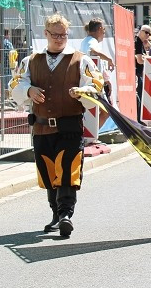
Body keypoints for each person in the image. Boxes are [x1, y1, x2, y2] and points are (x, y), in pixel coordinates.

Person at [11, 14, 103, 238]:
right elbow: (15, 85)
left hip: (70, 126)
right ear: (46, 34)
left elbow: (96, 86)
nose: (60, 39)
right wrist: (28, 91)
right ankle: (55, 214)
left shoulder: (81, 60)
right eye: (55, 34)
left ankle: (66, 215)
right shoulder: (31, 61)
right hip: (41, 127)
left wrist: (82, 92)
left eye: (63, 34)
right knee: (48, 172)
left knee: (68, 171)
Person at [134, 25, 151, 118]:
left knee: (140, 96)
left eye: (150, 34)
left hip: (138, 72)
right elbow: (140, 60)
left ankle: (139, 118)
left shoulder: (139, 41)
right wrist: (149, 60)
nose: (148, 35)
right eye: (147, 32)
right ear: (141, 31)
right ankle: (139, 118)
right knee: (139, 96)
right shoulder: (138, 42)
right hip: (137, 73)